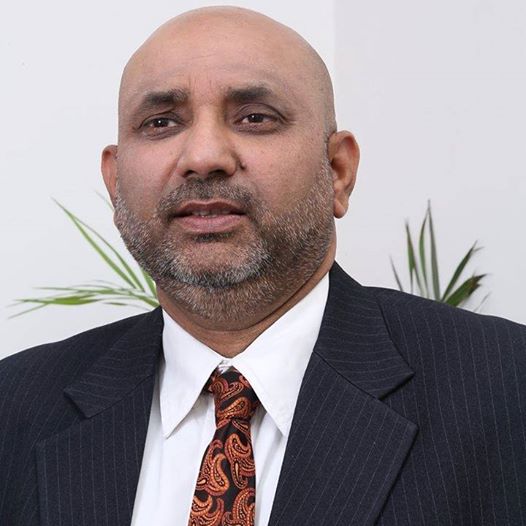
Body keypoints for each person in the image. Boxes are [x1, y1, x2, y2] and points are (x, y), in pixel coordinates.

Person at [0, 6, 524, 526]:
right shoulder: (15, 406)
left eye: (255, 117)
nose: (203, 156)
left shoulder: (505, 386)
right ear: (115, 185)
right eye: (161, 122)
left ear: (338, 171)